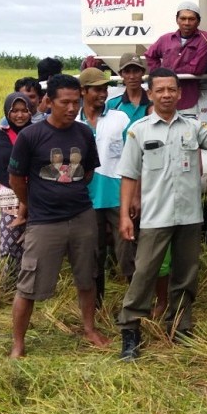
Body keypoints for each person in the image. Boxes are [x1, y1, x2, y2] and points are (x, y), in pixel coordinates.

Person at [116, 67, 207, 360]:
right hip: (155, 217)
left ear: (179, 94)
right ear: (151, 94)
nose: (166, 95)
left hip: (189, 217)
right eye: (160, 90)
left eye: (171, 90)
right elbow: (128, 175)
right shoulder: (139, 130)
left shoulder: (193, 127)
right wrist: (125, 217)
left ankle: (180, 327)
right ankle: (130, 332)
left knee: (186, 275)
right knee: (144, 274)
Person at [7, 73, 110, 358]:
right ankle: (18, 343)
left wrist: (70, 193)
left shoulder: (83, 133)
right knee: (29, 284)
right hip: (44, 222)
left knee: (87, 276)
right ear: (48, 101)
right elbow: (16, 178)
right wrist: (33, 204)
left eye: (75, 102)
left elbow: (87, 172)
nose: (71, 108)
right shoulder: (31, 135)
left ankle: (89, 329)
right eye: (65, 102)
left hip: (82, 216)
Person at [107, 53, 170, 317]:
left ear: (143, 73)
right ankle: (135, 290)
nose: (132, 75)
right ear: (121, 74)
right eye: (127, 71)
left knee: (151, 240)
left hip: (152, 179)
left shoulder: (152, 101)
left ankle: (157, 296)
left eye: (136, 71)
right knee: (126, 241)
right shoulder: (112, 105)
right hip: (120, 177)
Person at [77, 67, 134, 309]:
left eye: (105, 88)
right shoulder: (74, 121)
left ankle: (136, 304)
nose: (103, 93)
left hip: (118, 196)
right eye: (97, 89)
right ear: (83, 91)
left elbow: (133, 158)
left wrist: (134, 196)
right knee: (94, 256)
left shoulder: (120, 118)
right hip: (86, 200)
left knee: (127, 252)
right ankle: (96, 307)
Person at [0, 92, 32, 290]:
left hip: (37, 201)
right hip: (9, 202)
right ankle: (7, 288)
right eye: (15, 111)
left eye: (24, 110)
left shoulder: (39, 134)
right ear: (7, 113)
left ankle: (29, 289)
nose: (20, 115)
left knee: (33, 248)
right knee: (9, 246)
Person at [144, 2, 207, 123]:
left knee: (187, 136)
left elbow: (197, 68)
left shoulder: (204, 37)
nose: (187, 23)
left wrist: (166, 72)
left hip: (188, 99)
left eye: (191, 19)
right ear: (177, 20)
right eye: (183, 18)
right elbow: (150, 55)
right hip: (164, 100)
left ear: (198, 21)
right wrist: (158, 74)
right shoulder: (165, 39)